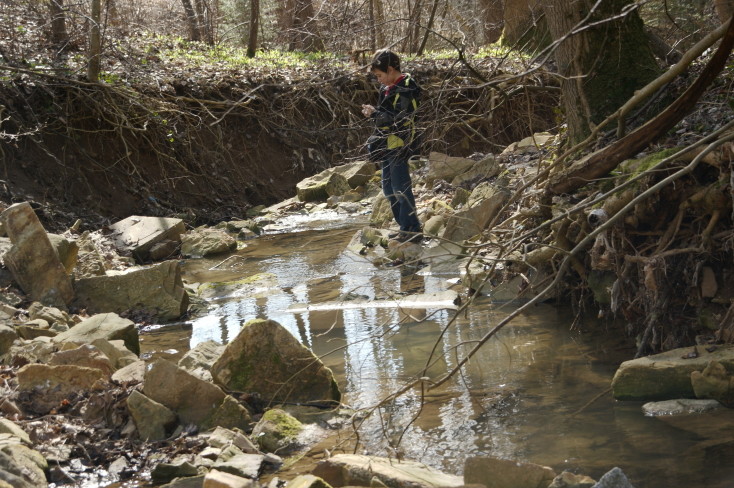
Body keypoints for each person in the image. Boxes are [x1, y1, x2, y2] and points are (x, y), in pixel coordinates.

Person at [362, 50, 423, 244]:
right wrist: (375, 113)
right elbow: (386, 115)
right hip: (387, 143)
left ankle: (412, 228)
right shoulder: (388, 89)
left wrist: (374, 115)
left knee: (400, 187)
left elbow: (399, 119)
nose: (379, 80)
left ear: (390, 69)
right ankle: (403, 226)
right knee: (388, 189)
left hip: (401, 143)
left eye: (380, 76)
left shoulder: (407, 87)